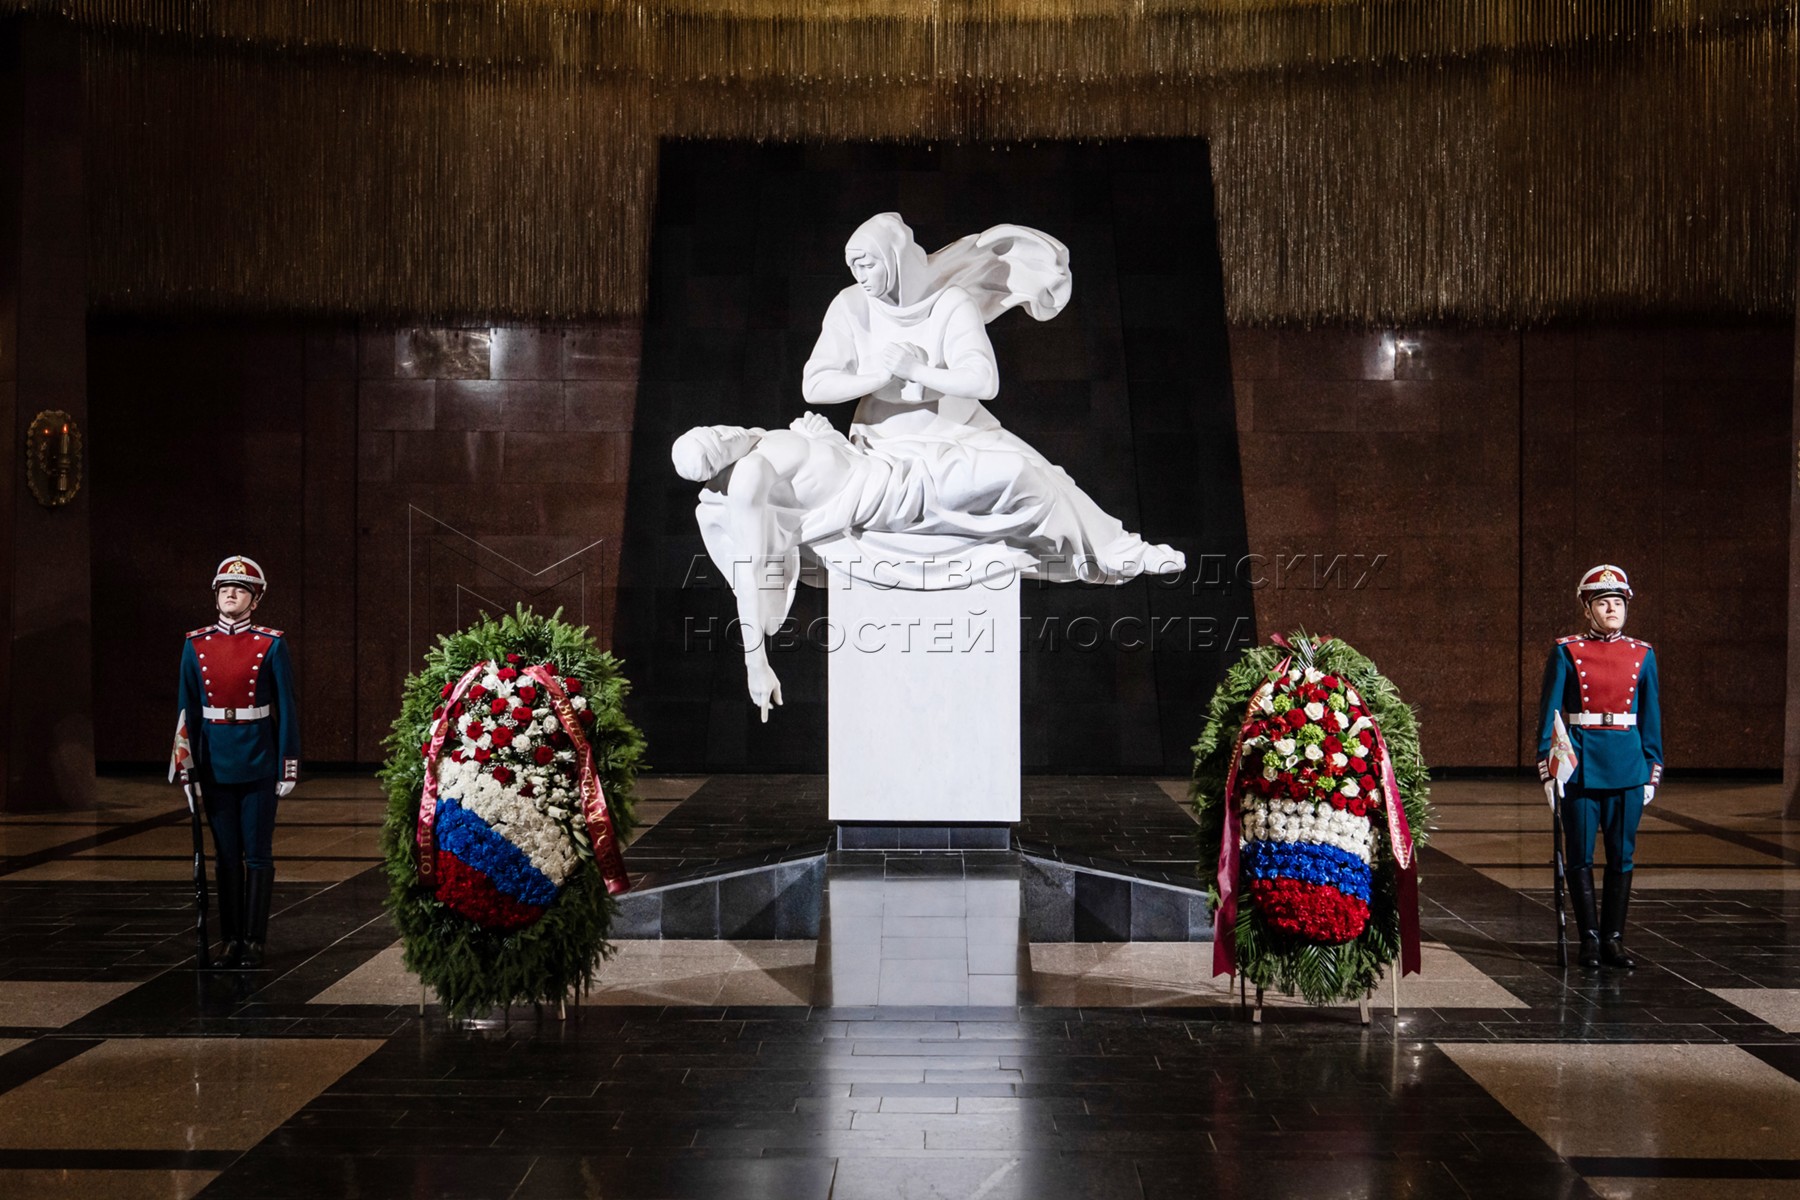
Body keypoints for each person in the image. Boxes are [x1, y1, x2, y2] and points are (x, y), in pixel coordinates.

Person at [674, 412, 1182, 720]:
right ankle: (1105, 554)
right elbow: (752, 570)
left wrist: (825, 437)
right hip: (906, 501)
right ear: (717, 468)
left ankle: (1112, 545)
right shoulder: (749, 479)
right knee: (1019, 476)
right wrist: (756, 663)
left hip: (900, 466)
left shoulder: (762, 436)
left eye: (709, 432)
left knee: (1031, 468)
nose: (721, 436)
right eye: (713, 448)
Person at [799, 212, 1183, 582]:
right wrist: (878, 376)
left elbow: (983, 381)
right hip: (882, 443)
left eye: (867, 265)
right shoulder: (850, 306)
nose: (860, 276)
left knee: (1046, 479)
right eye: (853, 267)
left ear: (894, 260)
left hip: (960, 431)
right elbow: (814, 385)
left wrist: (917, 371)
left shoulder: (949, 303)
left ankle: (1121, 550)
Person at [170, 556, 299, 969]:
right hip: (215, 761)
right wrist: (187, 769)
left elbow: (286, 707)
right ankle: (230, 939)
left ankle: (254, 940)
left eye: (240, 590)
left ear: (254, 601)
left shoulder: (271, 643)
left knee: (257, 853)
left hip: (259, 759)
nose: (230, 594)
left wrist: (288, 764)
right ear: (216, 597)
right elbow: (187, 711)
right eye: (224, 589)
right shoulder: (196, 644)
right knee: (225, 855)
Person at [1536, 564, 1662, 970]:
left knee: (1622, 857)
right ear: (1587, 609)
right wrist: (1548, 771)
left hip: (1627, 766)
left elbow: (1651, 719)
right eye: (1603, 602)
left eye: (1618, 603)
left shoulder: (1642, 654)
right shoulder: (1566, 651)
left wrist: (1652, 768)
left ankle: (1614, 939)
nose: (1612, 609)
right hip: (1580, 766)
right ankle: (1589, 939)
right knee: (1579, 857)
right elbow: (1550, 714)